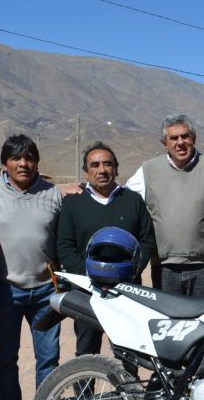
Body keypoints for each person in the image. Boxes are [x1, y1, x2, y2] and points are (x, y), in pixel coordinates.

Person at [0, 134, 63, 400]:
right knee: (6, 357)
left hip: (45, 290)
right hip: (6, 290)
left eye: (29, 158)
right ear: (5, 164)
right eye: (16, 158)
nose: (23, 164)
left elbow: (62, 239)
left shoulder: (53, 193)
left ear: (36, 162)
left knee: (49, 357)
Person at [57, 142, 156, 356]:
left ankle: (126, 380)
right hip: (87, 291)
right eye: (95, 165)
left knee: (129, 351)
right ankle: (88, 380)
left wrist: (130, 272)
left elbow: (146, 240)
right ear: (86, 171)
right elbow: (65, 246)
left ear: (116, 168)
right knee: (87, 351)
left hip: (127, 290)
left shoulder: (132, 200)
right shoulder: (73, 203)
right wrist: (91, 276)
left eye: (107, 164)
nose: (102, 170)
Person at [125, 114, 204, 295]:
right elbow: (123, 201)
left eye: (185, 136)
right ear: (164, 143)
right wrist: (83, 189)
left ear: (194, 138)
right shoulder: (149, 170)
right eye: (174, 138)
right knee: (168, 314)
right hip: (164, 268)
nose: (180, 142)